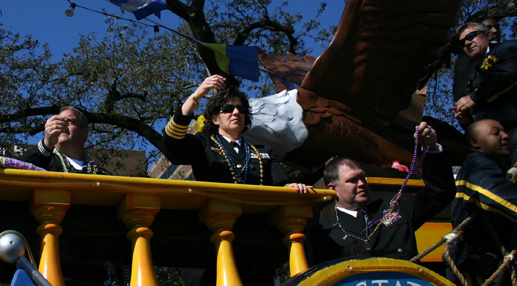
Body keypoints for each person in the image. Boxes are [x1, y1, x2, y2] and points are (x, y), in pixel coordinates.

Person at [309, 122, 454, 262]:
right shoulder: (323, 231)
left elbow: (440, 192)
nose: (362, 184)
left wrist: (432, 147)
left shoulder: (394, 207)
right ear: (333, 189)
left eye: (362, 177)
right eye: (353, 180)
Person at [162, 75, 307, 190]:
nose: (236, 112)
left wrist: (292, 187)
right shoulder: (203, 144)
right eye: (228, 109)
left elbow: (280, 185)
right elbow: (172, 138)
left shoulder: (264, 152)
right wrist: (197, 95)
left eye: (241, 109)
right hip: (217, 219)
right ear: (215, 119)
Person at [448, 119, 517, 286]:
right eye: (496, 133)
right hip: (477, 270)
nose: (505, 136)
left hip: (492, 268)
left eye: (505, 131)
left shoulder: (493, 168)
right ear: (476, 143)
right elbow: (496, 196)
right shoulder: (477, 164)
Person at [453, 23, 517, 165]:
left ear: (487, 35)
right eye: (463, 43)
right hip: (492, 147)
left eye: (470, 37)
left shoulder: (507, 48)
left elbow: (509, 75)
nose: (467, 43)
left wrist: (474, 97)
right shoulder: (473, 75)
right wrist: (466, 120)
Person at [20, 106, 110, 174]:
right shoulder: (43, 162)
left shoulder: (100, 173)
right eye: (58, 121)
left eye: (69, 122)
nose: (62, 125)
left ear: (84, 132)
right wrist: (48, 142)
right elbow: (21, 168)